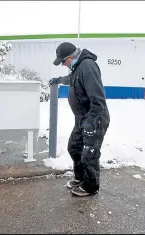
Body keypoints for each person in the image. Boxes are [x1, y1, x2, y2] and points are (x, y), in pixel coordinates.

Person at [49, 42, 110, 197]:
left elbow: (98, 100)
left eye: (63, 62)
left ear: (71, 57)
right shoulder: (78, 68)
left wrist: (91, 121)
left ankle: (90, 187)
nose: (63, 65)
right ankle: (81, 177)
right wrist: (58, 80)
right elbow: (72, 79)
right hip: (82, 118)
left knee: (89, 153)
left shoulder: (87, 66)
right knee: (74, 147)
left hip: (94, 118)